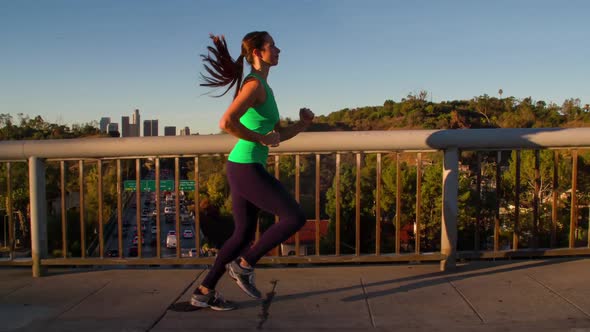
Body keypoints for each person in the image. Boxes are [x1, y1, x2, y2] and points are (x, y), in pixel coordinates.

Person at [191, 31, 314, 311]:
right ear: (258, 52)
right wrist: (259, 139)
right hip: (245, 166)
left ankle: (203, 291)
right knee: (294, 217)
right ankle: (244, 265)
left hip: (245, 165)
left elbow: (276, 136)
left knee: (243, 235)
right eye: (273, 46)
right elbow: (226, 122)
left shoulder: (264, 87)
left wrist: (303, 124)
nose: (279, 49)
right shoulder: (254, 85)